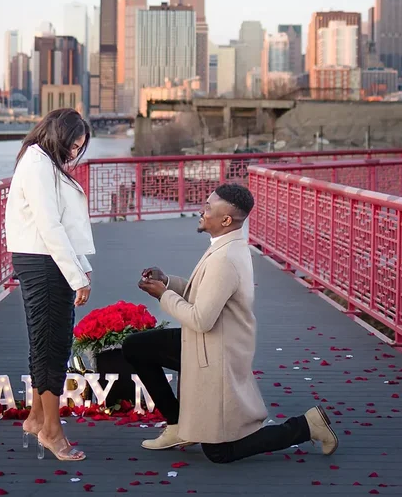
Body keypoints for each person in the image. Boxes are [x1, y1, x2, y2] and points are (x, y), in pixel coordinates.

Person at [123, 183, 338, 464]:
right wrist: (168, 282)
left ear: (226, 220)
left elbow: (201, 318)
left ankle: (307, 426)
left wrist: (164, 296)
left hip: (216, 352)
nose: (202, 209)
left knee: (219, 453)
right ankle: (178, 426)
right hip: (207, 343)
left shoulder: (225, 258)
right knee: (137, 347)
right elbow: (208, 296)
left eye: (209, 207)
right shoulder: (227, 246)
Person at [5, 108, 94, 461]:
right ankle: (52, 432)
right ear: (58, 134)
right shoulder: (39, 164)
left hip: (44, 259)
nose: (74, 153)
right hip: (44, 262)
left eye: (79, 147)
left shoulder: (38, 160)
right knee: (53, 346)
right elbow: (50, 225)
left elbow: (59, 226)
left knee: (45, 342)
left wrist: (80, 267)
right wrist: (77, 276)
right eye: (73, 145)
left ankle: (37, 417)